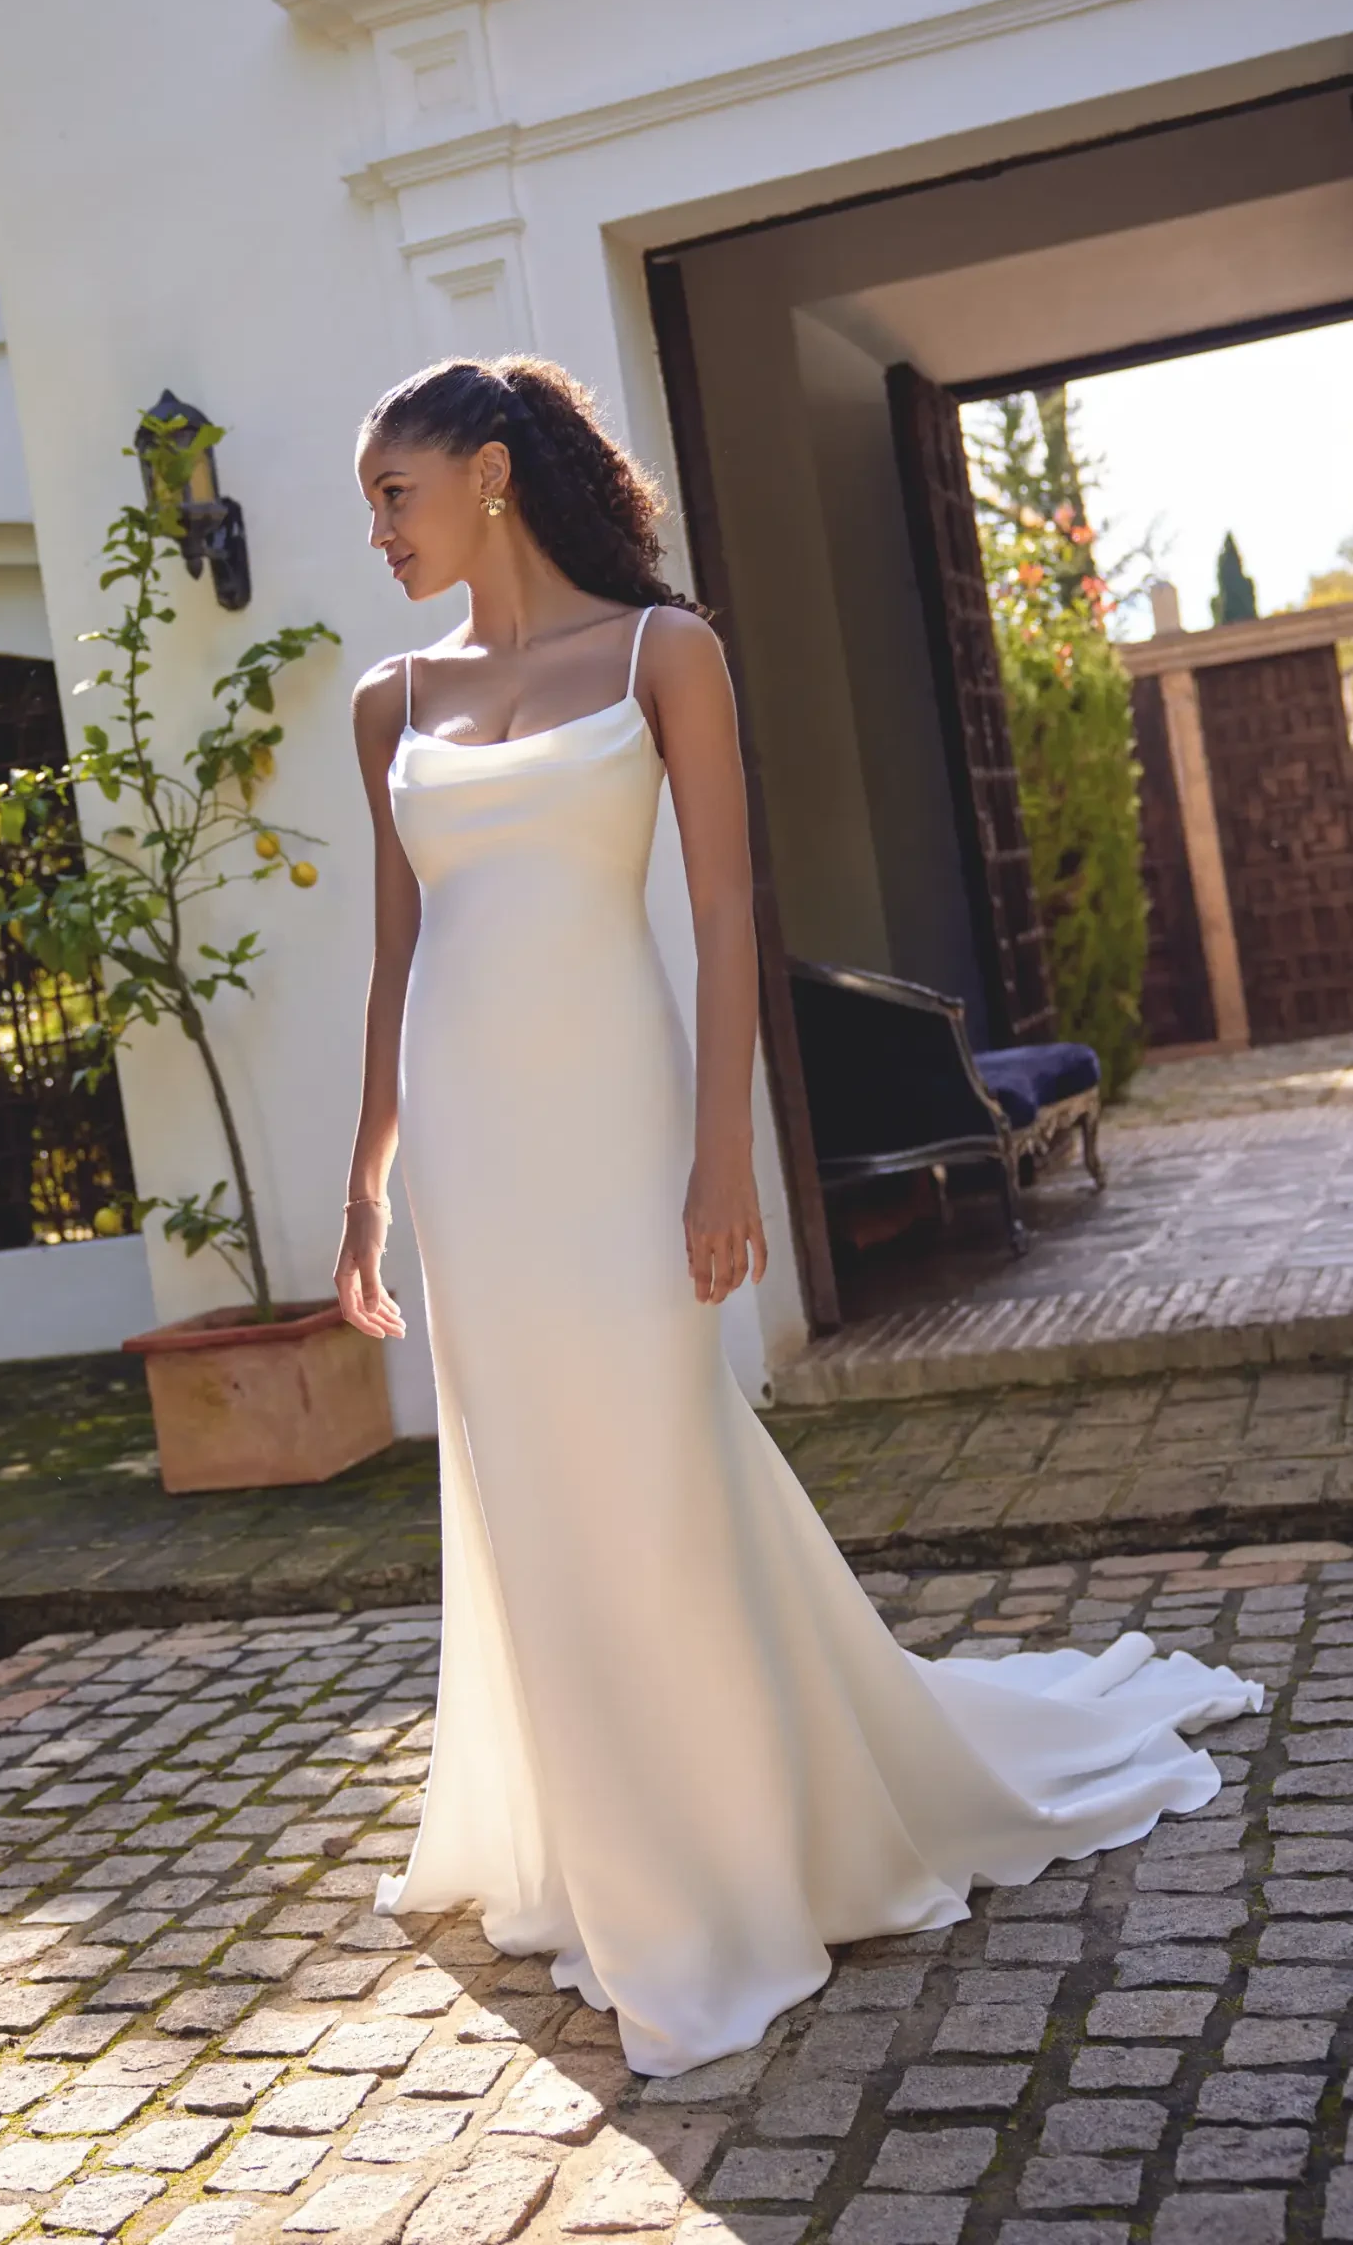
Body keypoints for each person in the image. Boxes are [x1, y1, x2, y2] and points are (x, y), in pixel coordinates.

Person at [334, 352, 1257, 2079]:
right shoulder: (391, 702)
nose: (377, 531)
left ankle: (736, 1849)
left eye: (395, 494)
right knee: (528, 1486)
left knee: (662, 1455)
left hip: (616, 1119)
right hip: (470, 1147)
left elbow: (723, 912)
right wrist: (366, 1180)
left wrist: (721, 1160)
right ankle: (613, 1853)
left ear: (491, 473)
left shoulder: (661, 653)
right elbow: (397, 957)